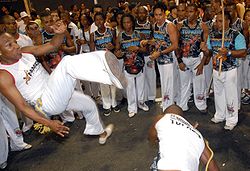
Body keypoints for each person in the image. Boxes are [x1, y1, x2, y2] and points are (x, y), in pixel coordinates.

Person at [0, 19, 126, 143]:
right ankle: (106, 72)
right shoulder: (3, 75)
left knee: (89, 104)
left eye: (14, 42)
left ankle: (99, 132)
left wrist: (60, 33)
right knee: (66, 63)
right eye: (9, 45)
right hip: (45, 102)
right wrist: (49, 123)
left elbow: (52, 45)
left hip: (55, 90)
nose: (16, 46)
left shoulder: (25, 51)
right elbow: (22, 107)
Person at [206, 12, 247, 130]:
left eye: (221, 21)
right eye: (217, 21)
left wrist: (228, 53)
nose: (218, 24)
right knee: (218, 94)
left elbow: (243, 52)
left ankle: (231, 119)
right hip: (216, 69)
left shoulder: (236, 35)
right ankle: (220, 115)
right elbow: (209, 51)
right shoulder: (212, 34)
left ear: (228, 21)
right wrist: (205, 50)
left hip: (230, 70)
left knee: (231, 96)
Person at [149, 104, 220, 171]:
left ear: (165, 114)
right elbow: (212, 166)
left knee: (157, 160)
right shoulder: (198, 135)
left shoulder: (161, 118)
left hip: (168, 167)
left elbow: (151, 139)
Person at [176, 3, 209, 113]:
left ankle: (201, 104)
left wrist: (202, 63)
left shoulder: (203, 26)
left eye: (190, 12)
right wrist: (179, 61)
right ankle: (182, 105)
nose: (188, 14)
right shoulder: (180, 25)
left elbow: (206, 47)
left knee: (199, 83)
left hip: (196, 59)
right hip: (184, 58)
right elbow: (176, 45)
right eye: (187, 11)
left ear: (197, 13)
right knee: (183, 84)